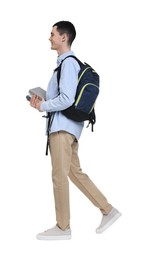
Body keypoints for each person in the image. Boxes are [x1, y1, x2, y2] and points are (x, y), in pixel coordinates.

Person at [29, 21, 121, 240]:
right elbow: (62, 98)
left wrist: (43, 105)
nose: (49, 37)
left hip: (62, 130)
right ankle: (108, 210)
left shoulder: (68, 63)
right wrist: (43, 101)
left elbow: (67, 99)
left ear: (63, 37)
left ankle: (63, 227)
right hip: (68, 128)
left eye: (52, 34)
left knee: (59, 176)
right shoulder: (65, 64)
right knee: (75, 173)